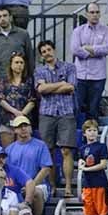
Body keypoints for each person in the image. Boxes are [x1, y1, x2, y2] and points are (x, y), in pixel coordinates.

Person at [34, 39, 77, 197]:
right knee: (48, 151)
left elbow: (71, 86)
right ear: (41, 55)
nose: (47, 53)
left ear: (54, 50)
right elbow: (41, 90)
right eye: (43, 51)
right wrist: (61, 84)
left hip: (66, 112)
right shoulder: (39, 71)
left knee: (66, 150)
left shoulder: (69, 67)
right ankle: (51, 185)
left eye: (49, 49)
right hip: (47, 114)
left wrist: (49, 87)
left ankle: (67, 186)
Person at [70, 3, 108, 124]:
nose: (95, 15)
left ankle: (92, 138)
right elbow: (75, 50)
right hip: (80, 75)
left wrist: (87, 48)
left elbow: (107, 49)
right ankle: (77, 137)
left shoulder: (106, 30)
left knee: (93, 110)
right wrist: (95, 51)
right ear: (86, 14)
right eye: (92, 12)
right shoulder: (78, 31)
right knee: (76, 108)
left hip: (98, 76)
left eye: (97, 12)